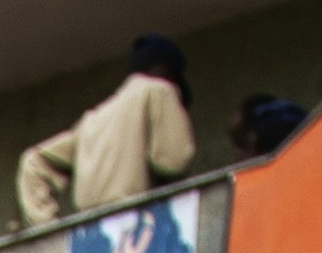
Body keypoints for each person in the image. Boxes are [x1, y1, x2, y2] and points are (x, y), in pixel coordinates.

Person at [19, 36, 196, 226]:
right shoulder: (160, 89)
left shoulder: (92, 121)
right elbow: (173, 161)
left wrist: (48, 228)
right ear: (165, 70)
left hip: (94, 239)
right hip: (140, 229)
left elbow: (34, 161)